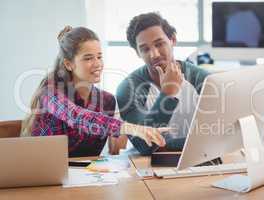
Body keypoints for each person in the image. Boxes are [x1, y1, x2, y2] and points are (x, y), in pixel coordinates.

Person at [21, 26, 168, 157]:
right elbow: (77, 116)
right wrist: (132, 128)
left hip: (86, 178)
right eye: (88, 58)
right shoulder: (50, 93)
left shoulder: (107, 101)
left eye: (99, 56)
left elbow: (101, 151)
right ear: (68, 64)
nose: (97, 63)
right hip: (43, 174)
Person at [116, 12, 210, 155]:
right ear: (137, 53)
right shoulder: (128, 89)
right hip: (150, 166)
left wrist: (165, 145)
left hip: (200, 159)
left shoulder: (203, 79)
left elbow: (216, 137)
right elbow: (145, 145)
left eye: (159, 44)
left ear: (172, 40)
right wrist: (168, 94)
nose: (154, 54)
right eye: (145, 49)